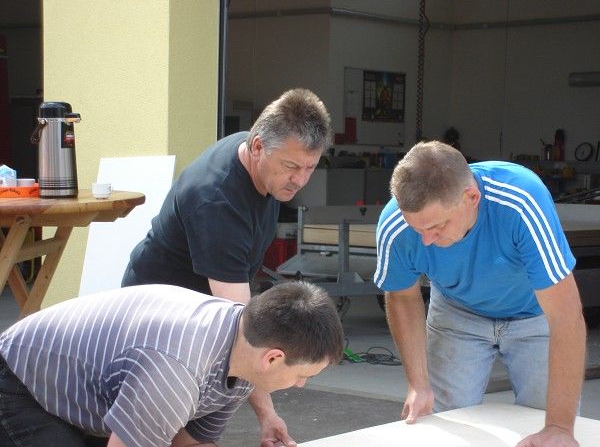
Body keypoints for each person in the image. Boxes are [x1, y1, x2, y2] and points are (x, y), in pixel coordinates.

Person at [121, 88, 332, 445]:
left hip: (200, 312)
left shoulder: (261, 160)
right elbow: (246, 331)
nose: (300, 180)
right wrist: (267, 412)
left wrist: (267, 417)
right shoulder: (218, 203)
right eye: (291, 167)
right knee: (158, 431)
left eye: (310, 167)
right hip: (156, 321)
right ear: (258, 147)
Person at [374, 141, 586, 446]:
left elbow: (566, 317)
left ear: (472, 197)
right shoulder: (396, 224)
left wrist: (560, 427)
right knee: (444, 423)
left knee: (546, 424)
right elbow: (403, 297)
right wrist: (418, 384)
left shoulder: (521, 200)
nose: (427, 240)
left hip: (534, 313)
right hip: (456, 311)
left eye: (437, 226)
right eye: (417, 229)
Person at [0, 281, 344, 447]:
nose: (301, 384)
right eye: (303, 375)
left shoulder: (244, 349)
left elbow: (189, 443)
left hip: (78, 393)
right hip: (20, 384)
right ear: (273, 358)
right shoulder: (176, 372)